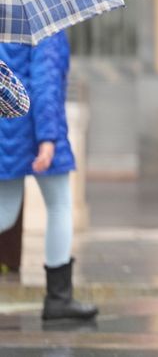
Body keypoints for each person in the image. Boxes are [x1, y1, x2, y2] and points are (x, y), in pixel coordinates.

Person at [0, 31, 98, 321]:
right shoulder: (45, 25)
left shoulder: (7, 16)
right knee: (59, 206)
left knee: (5, 211)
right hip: (36, 129)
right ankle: (58, 298)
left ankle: (59, 298)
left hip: (7, 130)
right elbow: (45, 82)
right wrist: (49, 138)